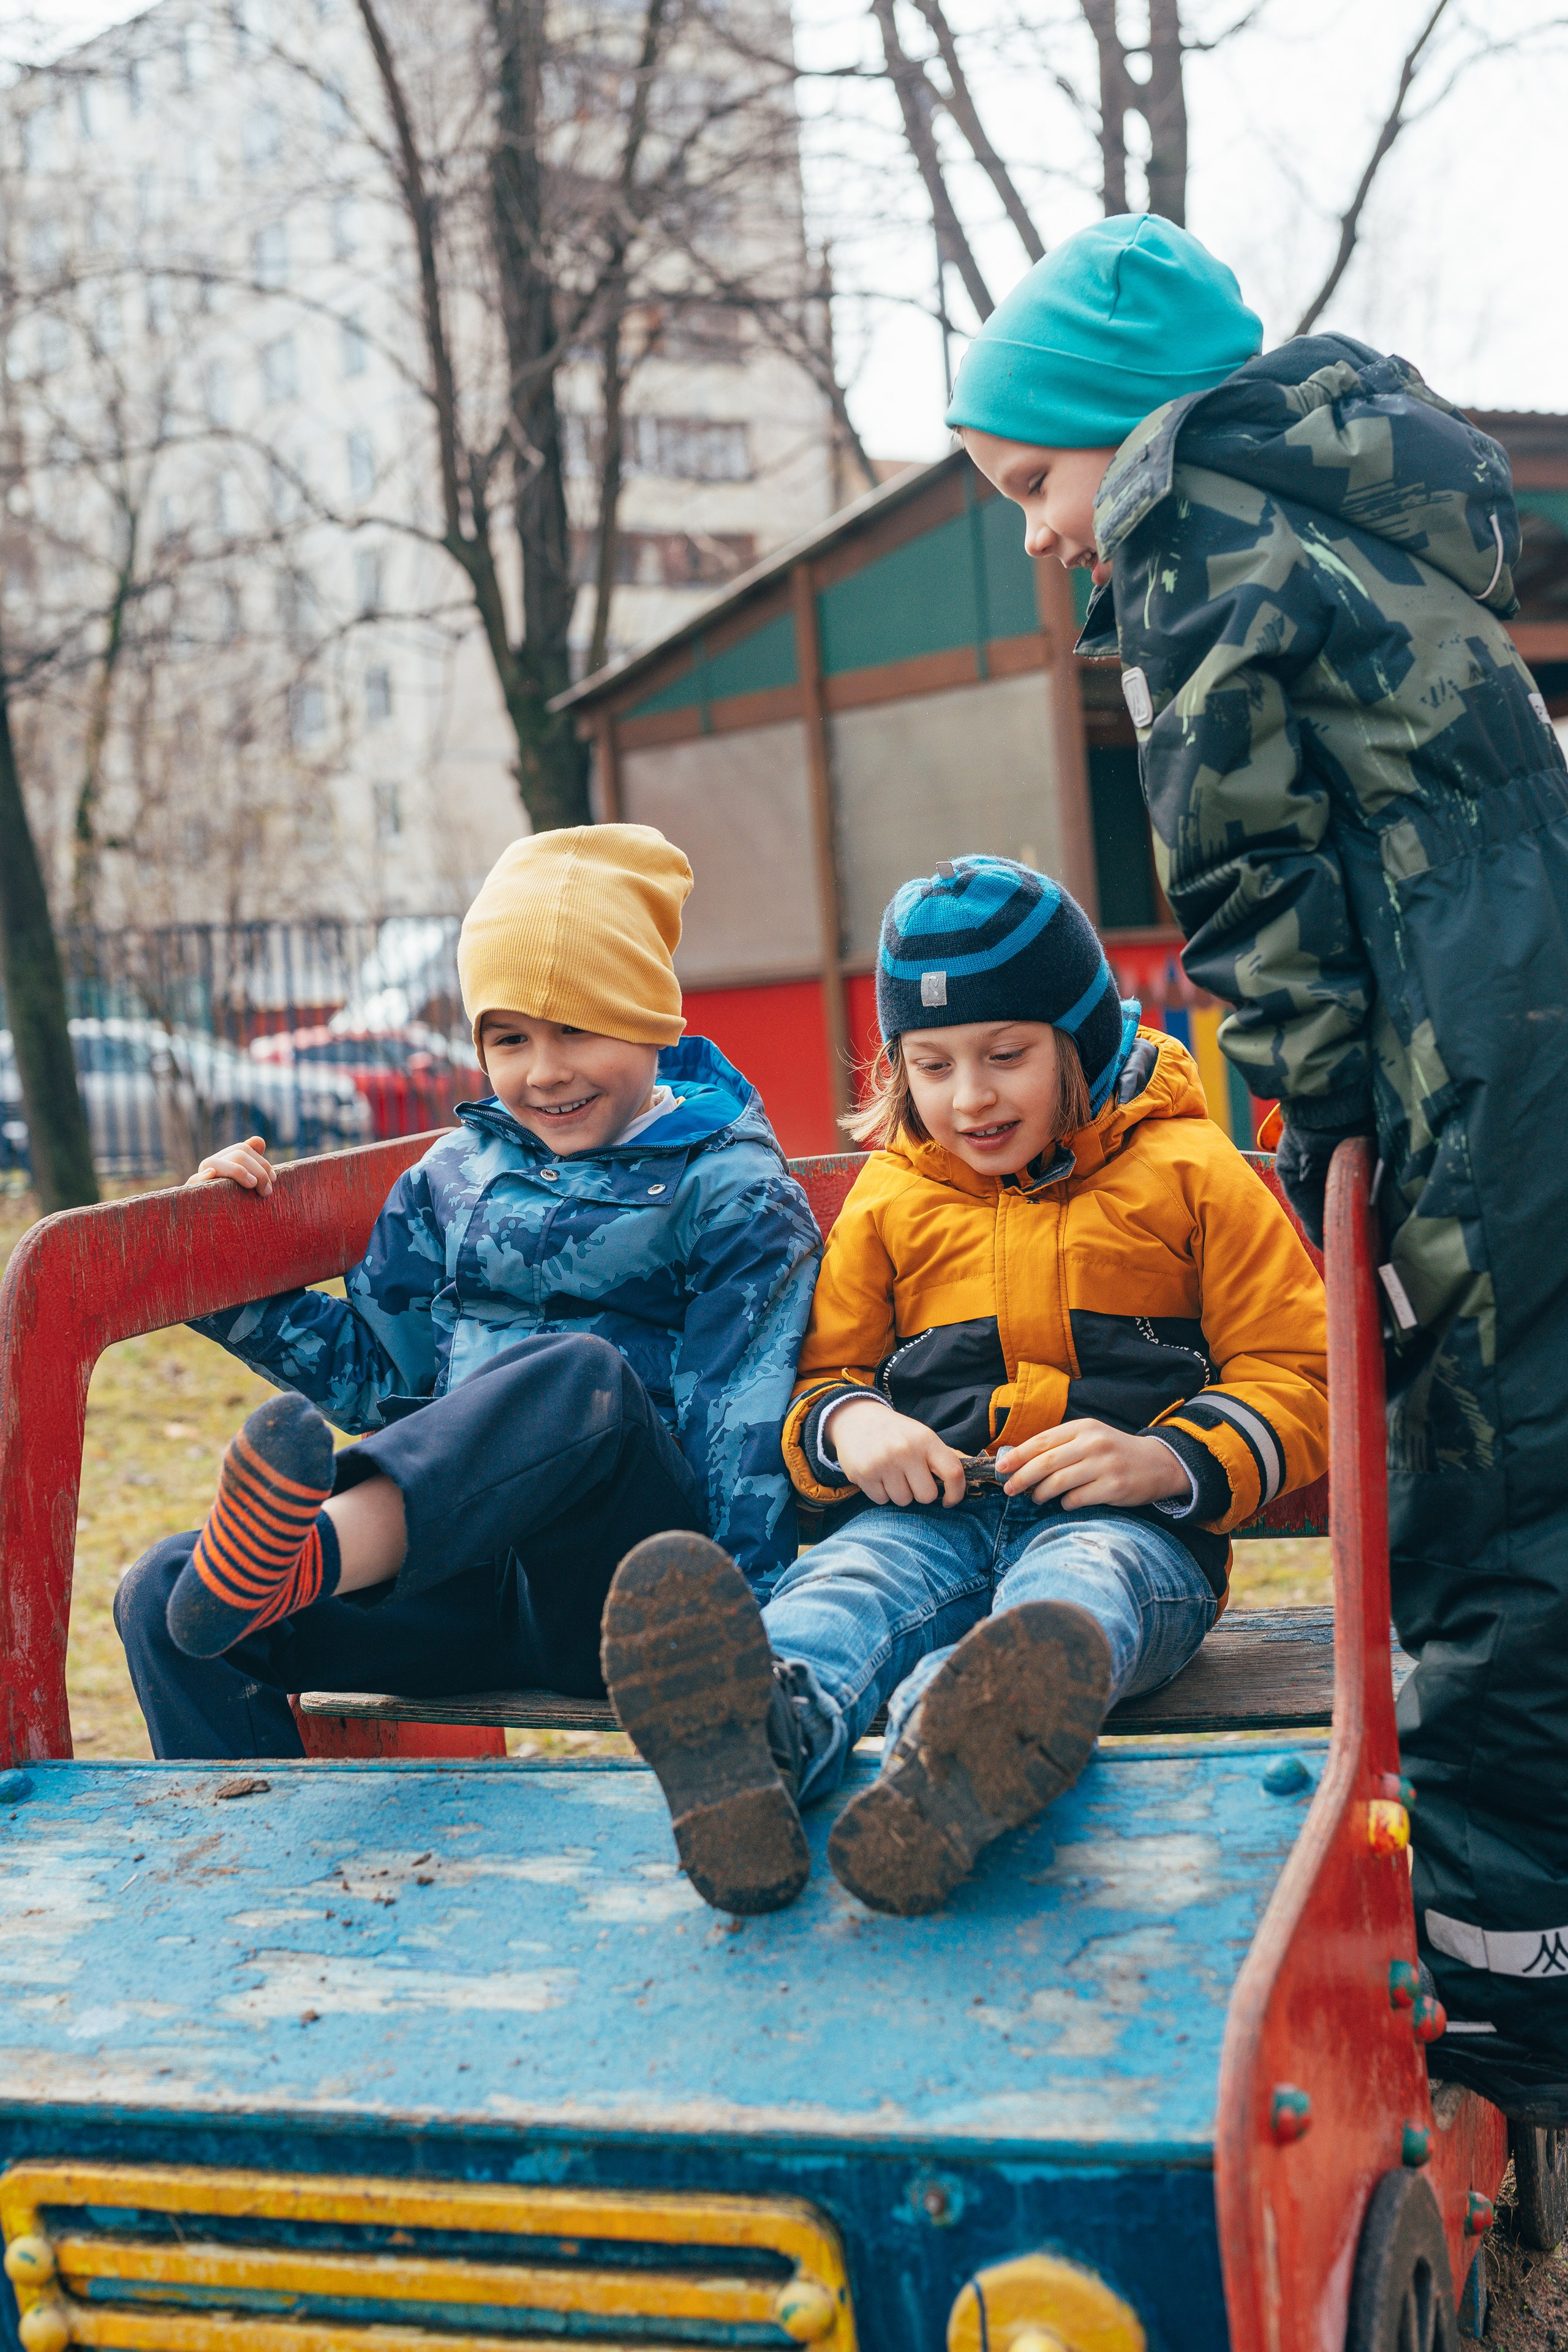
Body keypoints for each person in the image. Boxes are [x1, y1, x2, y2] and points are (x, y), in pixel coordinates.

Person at [944, 211, 1568, 2122]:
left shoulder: (1191, 524)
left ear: (1115, 432)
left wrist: (1311, 1121)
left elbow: (1243, 868)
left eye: (1035, 482)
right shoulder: (1366, 505)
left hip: (1438, 1046)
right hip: (1525, 1007)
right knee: (1532, 1458)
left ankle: (1500, 1997)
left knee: (1464, 1498)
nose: (1046, 534)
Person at [601, 856, 1327, 1918]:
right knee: (846, 1585)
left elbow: (1297, 1370)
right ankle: (750, 1748)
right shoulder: (895, 1194)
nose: (970, 1097)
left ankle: (959, 1755)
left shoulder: (1189, 1171)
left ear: (1080, 1042)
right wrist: (853, 1429)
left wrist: (1164, 1458)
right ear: (898, 1069)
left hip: (1132, 1533)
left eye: (1006, 1056)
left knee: (1077, 1590)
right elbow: (823, 1378)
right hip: (933, 1519)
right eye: (931, 1066)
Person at [115, 824, 821, 1761]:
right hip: (448, 1578)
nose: (544, 1070)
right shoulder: (451, 1174)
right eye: (509, 1037)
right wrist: (223, 1278)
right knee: (164, 1593)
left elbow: (747, 1425)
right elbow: (381, 1382)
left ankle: (311, 1556)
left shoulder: (730, 1188)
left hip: (625, 1599)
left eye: (577, 1027)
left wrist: (749, 1646)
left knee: (582, 1377)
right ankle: (248, 1866)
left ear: (653, 1023)